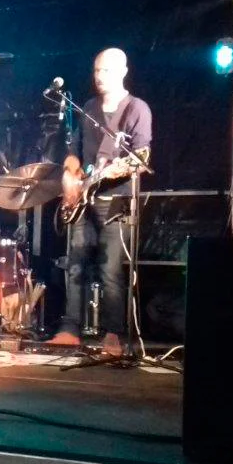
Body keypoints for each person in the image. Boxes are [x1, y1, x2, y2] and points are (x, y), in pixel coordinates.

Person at [51, 48, 152, 356]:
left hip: (116, 200)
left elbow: (141, 157)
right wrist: (70, 173)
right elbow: (75, 151)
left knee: (111, 270)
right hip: (84, 199)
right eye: (96, 70)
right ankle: (70, 328)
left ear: (123, 71)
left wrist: (116, 170)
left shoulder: (136, 109)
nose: (99, 76)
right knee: (76, 263)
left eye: (106, 70)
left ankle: (114, 334)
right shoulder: (88, 108)